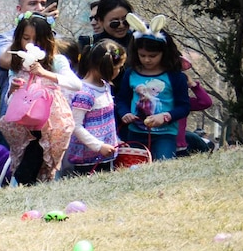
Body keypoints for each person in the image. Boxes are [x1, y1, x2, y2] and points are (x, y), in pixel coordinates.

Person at [0, 15, 79, 185]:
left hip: (50, 124)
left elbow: (75, 84)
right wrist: (12, 90)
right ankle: (20, 188)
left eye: (37, 40)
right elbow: (9, 100)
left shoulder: (56, 61)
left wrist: (44, 73)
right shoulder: (18, 64)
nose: (31, 44)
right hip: (25, 124)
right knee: (26, 161)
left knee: (40, 162)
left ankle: (18, 188)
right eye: (26, 38)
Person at [115, 20, 189, 160]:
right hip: (135, 133)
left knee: (163, 164)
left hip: (165, 134)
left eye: (152, 56)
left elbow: (184, 106)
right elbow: (122, 99)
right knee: (135, 168)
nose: (147, 60)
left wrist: (166, 116)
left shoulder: (174, 76)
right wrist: (124, 113)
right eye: (142, 55)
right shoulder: (131, 73)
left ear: (164, 53)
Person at [62, 41, 124, 176]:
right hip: (87, 159)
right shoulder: (85, 93)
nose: (119, 71)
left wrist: (116, 141)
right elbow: (76, 125)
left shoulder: (105, 86)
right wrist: (98, 146)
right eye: (118, 67)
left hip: (106, 154)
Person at [0, 0, 54, 107]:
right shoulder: (5, 38)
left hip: (47, 114)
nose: (39, 8)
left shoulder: (56, 39)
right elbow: (6, 61)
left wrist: (46, 31)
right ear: (19, 9)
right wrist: (21, 33)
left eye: (43, 4)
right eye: (33, 3)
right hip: (14, 111)